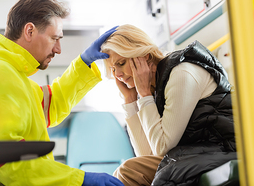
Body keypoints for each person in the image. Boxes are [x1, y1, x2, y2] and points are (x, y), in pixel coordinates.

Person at [0, 0, 124, 186]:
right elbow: (4, 159)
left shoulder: (14, 76)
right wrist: (79, 180)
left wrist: (83, 63)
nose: (58, 49)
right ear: (29, 31)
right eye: (54, 38)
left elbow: (49, 106)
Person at [100, 24, 237, 186]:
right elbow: (147, 154)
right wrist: (130, 101)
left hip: (223, 149)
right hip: (198, 152)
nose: (118, 75)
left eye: (121, 63)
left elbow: (162, 148)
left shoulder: (180, 72)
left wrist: (144, 95)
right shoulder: (157, 87)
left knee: (127, 171)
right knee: (121, 174)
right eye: (113, 69)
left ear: (144, 56)